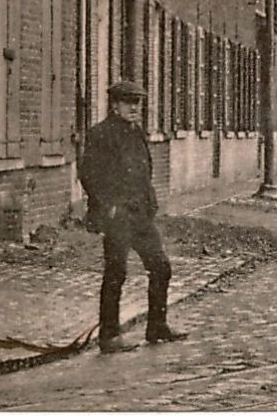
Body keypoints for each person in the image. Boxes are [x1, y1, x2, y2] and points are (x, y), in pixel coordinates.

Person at [80, 81, 189, 353]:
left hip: (140, 214)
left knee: (161, 267)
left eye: (137, 102)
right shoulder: (101, 134)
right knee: (116, 272)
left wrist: (150, 202)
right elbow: (89, 174)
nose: (134, 108)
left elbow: (144, 171)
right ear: (114, 104)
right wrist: (108, 206)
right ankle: (109, 336)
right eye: (128, 102)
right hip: (118, 216)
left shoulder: (136, 133)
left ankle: (157, 326)